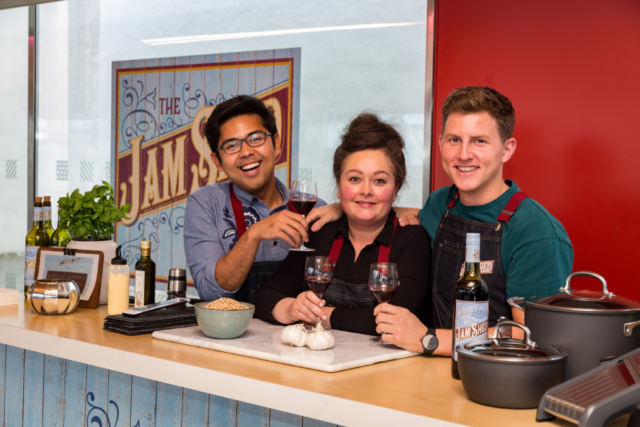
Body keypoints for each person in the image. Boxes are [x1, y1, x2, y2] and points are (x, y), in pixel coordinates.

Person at [309, 87, 573, 354]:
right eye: (454, 140)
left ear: (507, 150)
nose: (464, 154)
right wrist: (342, 207)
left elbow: (531, 336)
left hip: (498, 381)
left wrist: (428, 338)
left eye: (479, 141)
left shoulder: (536, 232)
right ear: (439, 143)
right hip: (432, 374)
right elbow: (393, 212)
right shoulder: (439, 205)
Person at [253, 113, 431, 335]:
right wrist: (292, 308)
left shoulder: (412, 239)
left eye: (379, 181)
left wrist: (321, 314)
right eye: (354, 179)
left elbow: (391, 321)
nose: (366, 190)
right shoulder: (319, 233)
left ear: (395, 190)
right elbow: (264, 297)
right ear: (339, 187)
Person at [184, 95, 325, 303]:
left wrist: (344, 211)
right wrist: (254, 234)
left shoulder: (316, 209)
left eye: (256, 138)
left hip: (300, 334)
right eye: (232, 145)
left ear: (276, 144)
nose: (246, 152)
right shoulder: (205, 204)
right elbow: (211, 293)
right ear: (218, 162)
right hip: (234, 334)